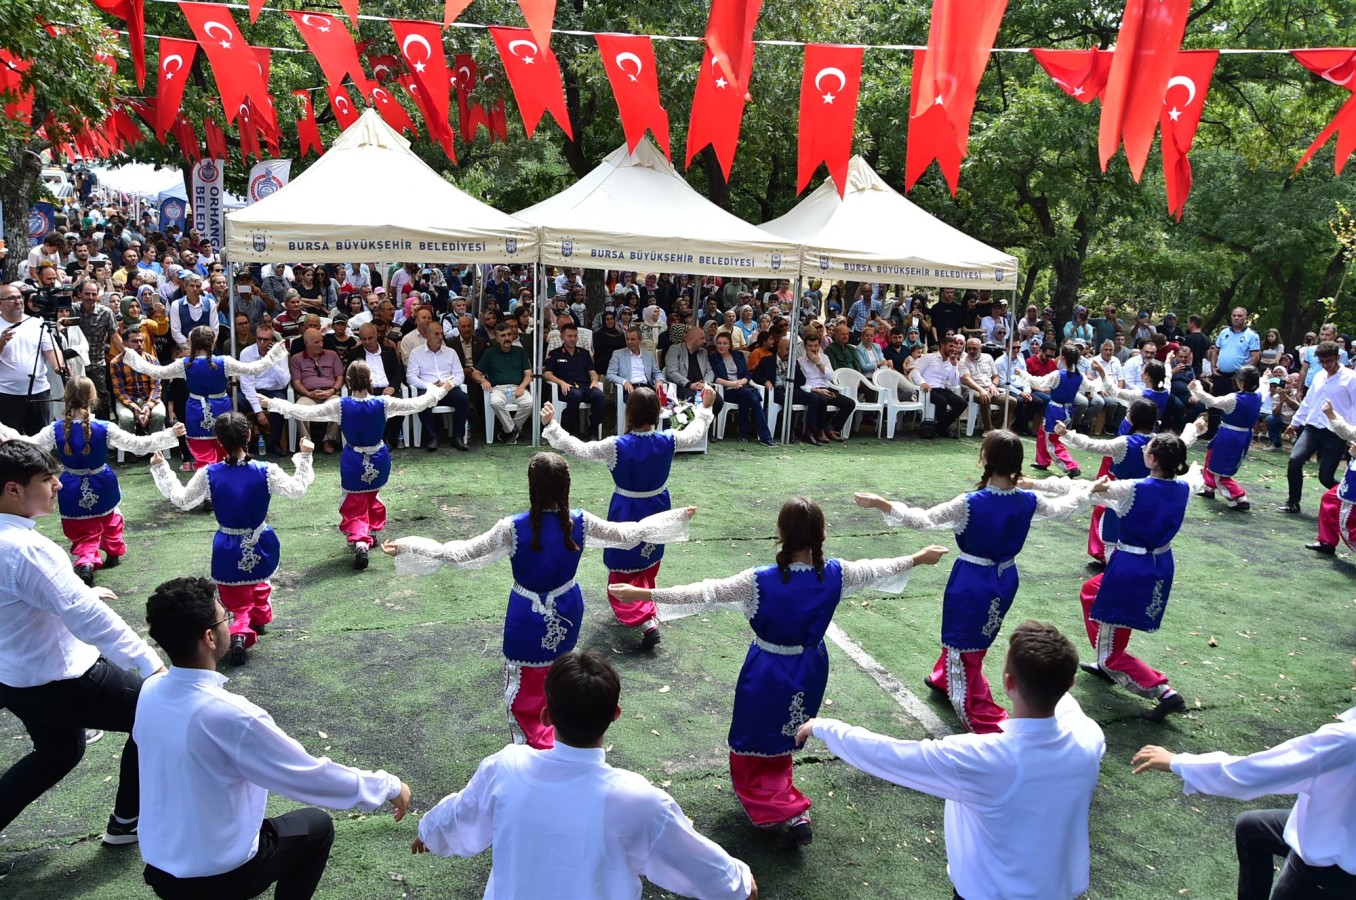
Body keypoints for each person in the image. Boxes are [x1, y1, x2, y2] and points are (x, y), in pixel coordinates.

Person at [609, 498, 947, 846]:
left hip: (767, 669)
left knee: (753, 737)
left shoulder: (759, 581)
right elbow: (877, 569)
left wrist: (642, 592)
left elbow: (704, 592)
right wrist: (918, 558)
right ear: (822, 534)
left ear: (781, 534)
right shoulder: (836, 574)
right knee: (788, 732)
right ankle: (790, 805)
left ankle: (779, 808)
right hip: (811, 666)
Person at [382, 453, 695, 749]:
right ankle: (561, 739)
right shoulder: (581, 522)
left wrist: (411, 546)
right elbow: (630, 533)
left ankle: (532, 748)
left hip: (527, 613)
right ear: (566, 486)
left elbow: (461, 553)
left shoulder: (512, 528)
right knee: (562, 677)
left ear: (532, 486)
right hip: (567, 607)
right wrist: (676, 517)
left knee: (526, 687)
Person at [136, 576, 410, 900]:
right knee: (317, 827)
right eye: (225, 619)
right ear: (209, 637)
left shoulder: (150, 690)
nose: (229, 624)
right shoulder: (231, 715)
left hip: (160, 868)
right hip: (217, 876)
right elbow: (309, 775)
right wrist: (388, 786)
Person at [797, 621, 1105, 900]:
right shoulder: (1088, 739)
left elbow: (892, 754)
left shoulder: (982, 758)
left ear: (1009, 683)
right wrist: (1053, 677)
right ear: (1070, 683)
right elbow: (1066, 706)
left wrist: (826, 727)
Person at [414, 650, 757, 900]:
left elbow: (460, 816)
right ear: (615, 715)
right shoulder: (640, 802)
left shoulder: (506, 768)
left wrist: (428, 833)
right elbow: (714, 876)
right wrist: (740, 883)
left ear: (546, 716)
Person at [0, 440, 166, 878]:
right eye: (46, 479)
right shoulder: (25, 549)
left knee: (58, 753)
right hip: (60, 679)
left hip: (16, 680)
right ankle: (128, 821)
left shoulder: (17, 543)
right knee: (155, 713)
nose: (58, 485)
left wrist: (75, 591)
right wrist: (150, 664)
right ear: (13, 490)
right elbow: (87, 617)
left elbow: (32, 595)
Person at [855, 431, 1091, 733]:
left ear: (985, 458)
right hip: (1006, 577)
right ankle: (945, 675)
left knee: (963, 640)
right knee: (980, 633)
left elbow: (923, 519)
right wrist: (1087, 492)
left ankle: (987, 721)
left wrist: (882, 504)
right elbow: (1062, 509)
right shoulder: (1029, 499)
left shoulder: (970, 503)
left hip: (972, 580)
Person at [1131, 658, 1356, 900]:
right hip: (1341, 832)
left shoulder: (1346, 739)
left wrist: (1177, 762)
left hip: (1331, 868)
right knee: (1251, 827)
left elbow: (1257, 773)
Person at [543, 388, 715, 648]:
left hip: (626, 508)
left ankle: (646, 620)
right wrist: (705, 408)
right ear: (657, 413)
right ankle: (646, 604)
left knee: (623, 565)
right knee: (648, 559)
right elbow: (694, 433)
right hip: (658, 505)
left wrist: (552, 426)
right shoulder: (668, 440)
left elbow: (580, 449)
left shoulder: (616, 446)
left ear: (629, 413)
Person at [148, 413, 315, 666]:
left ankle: (238, 632)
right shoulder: (266, 470)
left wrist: (161, 468)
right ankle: (258, 620)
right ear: (249, 435)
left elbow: (183, 499)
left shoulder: (209, 473)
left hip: (227, 544)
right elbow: (297, 489)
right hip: (260, 540)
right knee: (259, 581)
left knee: (234, 596)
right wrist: (305, 456)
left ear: (218, 440)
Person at [263, 363, 450, 568]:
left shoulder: (340, 406)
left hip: (353, 461)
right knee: (371, 496)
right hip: (379, 459)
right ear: (371, 381)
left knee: (355, 502)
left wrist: (273, 403)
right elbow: (418, 403)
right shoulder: (384, 403)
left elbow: (305, 412)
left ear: (348, 382)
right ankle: (370, 531)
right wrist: (442, 390)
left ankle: (361, 542)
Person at [0, 376, 182, 585]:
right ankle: (113, 550)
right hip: (101, 481)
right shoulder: (105, 427)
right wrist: (170, 434)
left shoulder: (54, 429)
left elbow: (29, 445)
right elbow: (138, 445)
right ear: (93, 398)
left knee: (81, 527)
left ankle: (86, 561)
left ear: (66, 398)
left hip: (70, 486)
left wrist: (2, 430)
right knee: (110, 518)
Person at [1077, 432, 1203, 721]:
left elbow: (1085, 489)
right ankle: (1107, 658)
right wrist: (1193, 434)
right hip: (1158, 564)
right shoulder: (1184, 486)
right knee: (1091, 591)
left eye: (1147, 449)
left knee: (1112, 642)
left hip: (1130, 567)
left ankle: (1162, 691)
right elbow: (1195, 476)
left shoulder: (1133, 488)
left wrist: (1033, 484)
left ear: (1152, 459)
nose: (1144, 450)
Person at [122, 325, 289, 470]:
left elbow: (155, 372)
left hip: (195, 411)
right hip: (222, 410)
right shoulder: (224, 362)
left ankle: (205, 486)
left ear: (192, 343)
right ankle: (227, 482)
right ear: (213, 342)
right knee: (227, 450)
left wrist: (129, 355)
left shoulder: (184, 363)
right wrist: (274, 353)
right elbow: (254, 369)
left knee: (202, 457)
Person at [1056, 400, 1197, 564]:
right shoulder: (1162, 443)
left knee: (1118, 539)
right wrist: (1194, 429)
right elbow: (1181, 444)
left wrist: (1066, 434)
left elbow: (1092, 445)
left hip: (1121, 497)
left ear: (1132, 418)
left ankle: (1111, 563)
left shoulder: (1125, 443)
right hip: (1152, 501)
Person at [1279, 341, 1356, 515]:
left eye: (1329, 361)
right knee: (1294, 460)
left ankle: (1351, 501)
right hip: (1312, 428)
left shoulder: (1351, 378)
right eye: (1322, 362)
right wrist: (1295, 422)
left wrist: (1352, 434)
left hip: (1336, 432)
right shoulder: (1319, 375)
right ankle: (1293, 502)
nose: (1326, 365)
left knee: (1326, 478)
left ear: (1338, 358)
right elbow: (1308, 402)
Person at [1189, 367, 1262, 511]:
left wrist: (1197, 389)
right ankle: (1209, 487)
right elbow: (1264, 383)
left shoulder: (1234, 399)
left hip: (1230, 435)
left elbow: (1213, 402)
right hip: (1239, 434)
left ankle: (1240, 498)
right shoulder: (1258, 395)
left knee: (1221, 469)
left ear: (1241, 381)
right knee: (1211, 456)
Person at [0, 283, 64, 436]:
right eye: (12, 298)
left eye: (19, 297)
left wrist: (58, 366)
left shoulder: (37, 323)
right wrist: (1, 344)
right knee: (10, 442)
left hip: (39, 392)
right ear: (0, 304)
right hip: (7, 394)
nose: (18, 301)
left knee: (40, 439)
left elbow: (51, 350)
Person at [1027, 345, 1085, 478]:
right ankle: (1043, 461)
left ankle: (1071, 466)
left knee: (1052, 439)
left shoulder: (1058, 374)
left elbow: (1039, 382)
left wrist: (1023, 375)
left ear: (1063, 357)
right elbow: (1092, 386)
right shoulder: (1079, 376)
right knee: (1043, 432)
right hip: (1068, 409)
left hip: (1055, 410)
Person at [710, 332, 776, 446]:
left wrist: (741, 382)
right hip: (726, 390)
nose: (721, 346)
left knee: (748, 396)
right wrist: (731, 384)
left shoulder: (738, 355)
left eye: (725, 343)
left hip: (742, 388)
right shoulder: (712, 358)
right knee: (752, 396)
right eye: (719, 343)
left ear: (730, 344)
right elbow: (714, 377)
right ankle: (765, 437)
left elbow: (747, 374)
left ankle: (744, 432)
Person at [472, 320, 533, 444]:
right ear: (496, 338)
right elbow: (475, 373)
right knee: (495, 402)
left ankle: (508, 431)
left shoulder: (520, 351)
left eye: (509, 334)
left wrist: (522, 386)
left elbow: (528, 374)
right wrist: (483, 380)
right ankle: (512, 430)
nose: (507, 338)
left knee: (529, 403)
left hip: (517, 387)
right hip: (498, 388)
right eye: (503, 335)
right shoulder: (490, 353)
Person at [543, 323, 605, 441]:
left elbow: (592, 372)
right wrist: (561, 383)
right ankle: (570, 431)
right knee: (576, 395)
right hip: (566, 387)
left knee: (599, 395)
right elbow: (547, 374)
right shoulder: (555, 354)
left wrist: (594, 380)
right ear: (562, 337)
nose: (573, 339)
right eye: (569, 336)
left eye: (575, 336)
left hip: (584, 386)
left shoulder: (584, 353)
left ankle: (593, 430)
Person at [798, 330, 855, 443]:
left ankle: (832, 428)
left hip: (826, 389)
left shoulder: (824, 358)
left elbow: (831, 377)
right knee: (822, 400)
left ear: (819, 346)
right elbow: (802, 383)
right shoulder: (800, 361)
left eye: (816, 346)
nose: (813, 349)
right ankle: (819, 432)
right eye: (810, 346)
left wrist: (818, 363)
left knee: (849, 403)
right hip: (812, 391)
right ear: (805, 347)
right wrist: (817, 391)